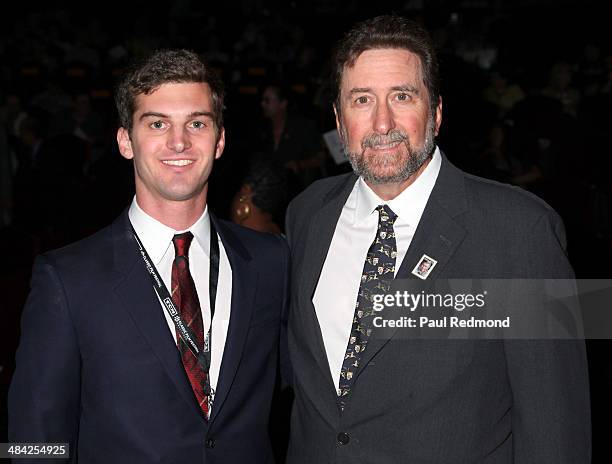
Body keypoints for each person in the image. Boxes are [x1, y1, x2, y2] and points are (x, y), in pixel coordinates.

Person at [285, 15, 590, 463]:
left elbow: (555, 428)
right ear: (338, 117)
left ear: (437, 111)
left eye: (402, 96)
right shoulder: (307, 214)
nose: (382, 122)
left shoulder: (520, 230)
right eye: (362, 99)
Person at [9, 49, 289, 463]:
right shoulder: (66, 279)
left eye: (197, 123)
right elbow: (31, 443)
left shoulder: (272, 261)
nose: (179, 141)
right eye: (157, 123)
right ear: (125, 141)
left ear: (220, 140)